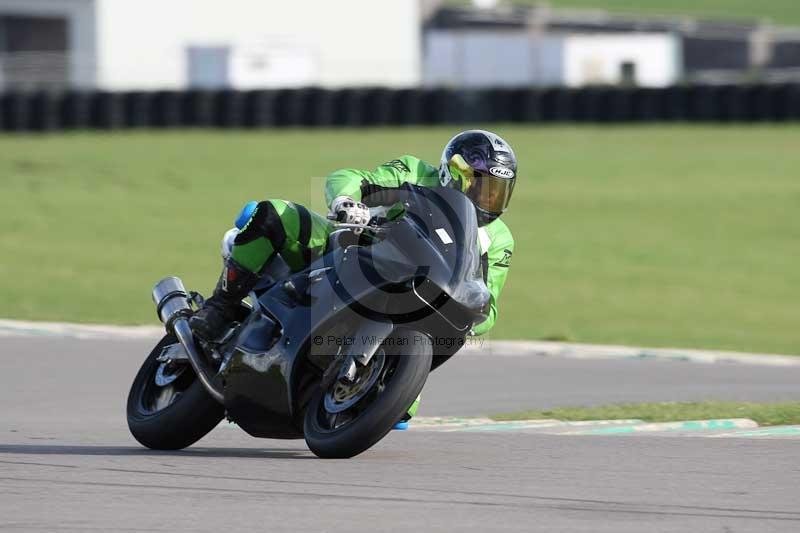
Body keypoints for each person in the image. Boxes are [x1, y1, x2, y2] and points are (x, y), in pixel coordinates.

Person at [190, 128, 516, 345]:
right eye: (482, 187)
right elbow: (353, 178)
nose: (488, 200)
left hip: (411, 307)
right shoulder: (415, 172)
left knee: (402, 412)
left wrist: (470, 312)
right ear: (453, 172)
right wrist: (347, 201)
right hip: (354, 253)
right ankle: (221, 307)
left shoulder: (499, 240)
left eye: (497, 193)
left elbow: (489, 308)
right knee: (274, 213)